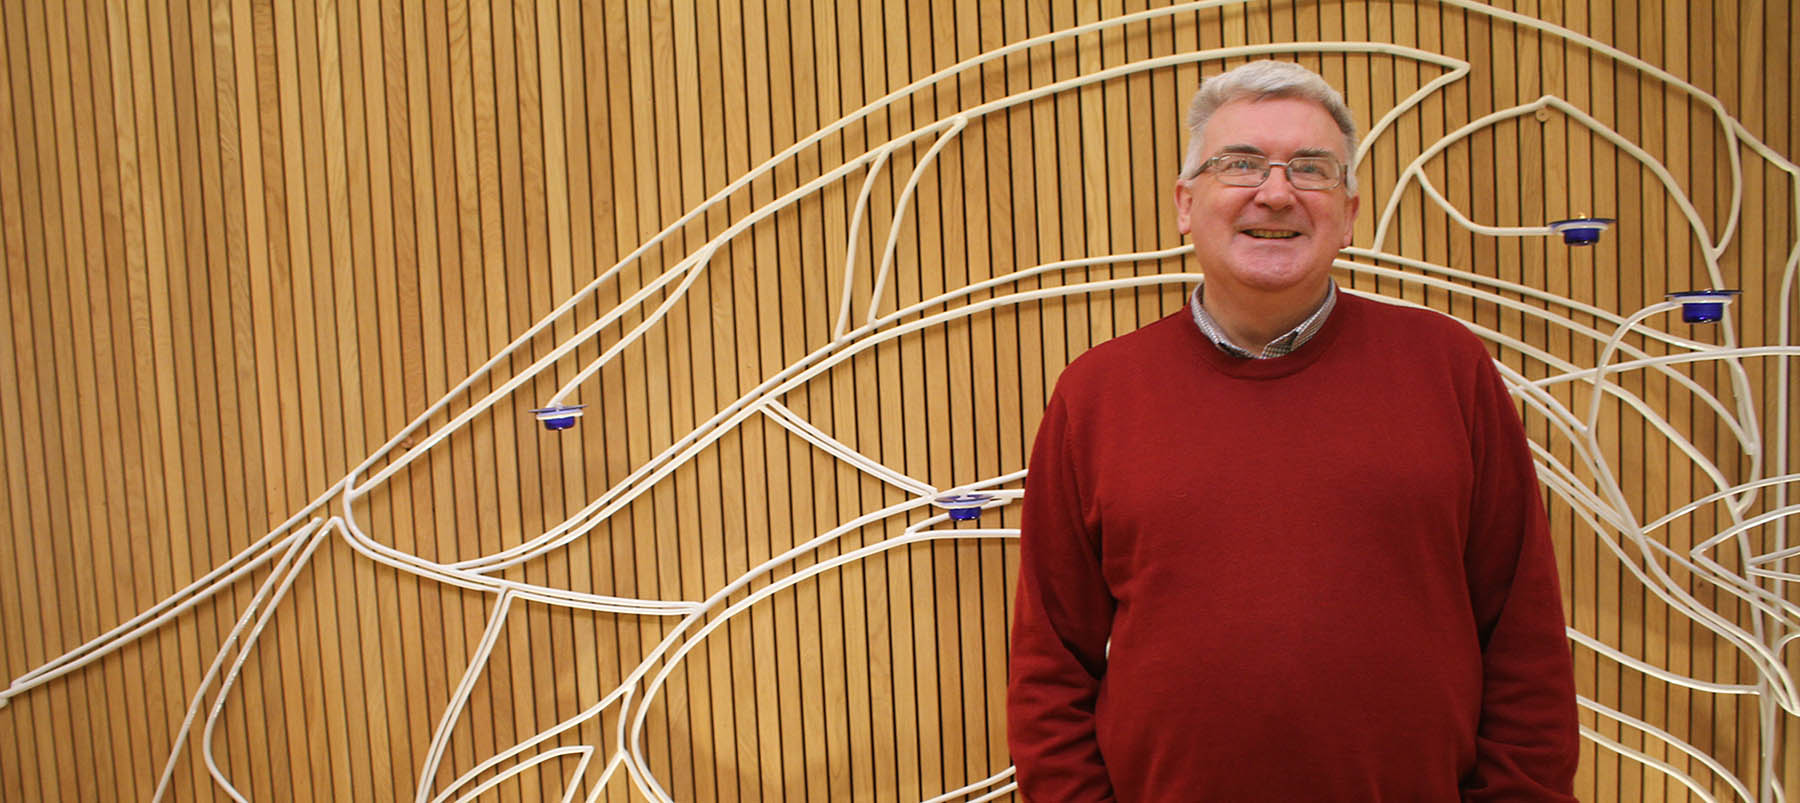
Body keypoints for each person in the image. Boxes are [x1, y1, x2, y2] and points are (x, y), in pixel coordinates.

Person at [1005, 60, 1579, 801]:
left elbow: (1524, 640)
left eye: (1310, 169)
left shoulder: (1449, 369)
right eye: (1239, 163)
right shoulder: (1096, 394)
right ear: (1185, 203)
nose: (1275, 192)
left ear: (1349, 211)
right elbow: (1051, 664)